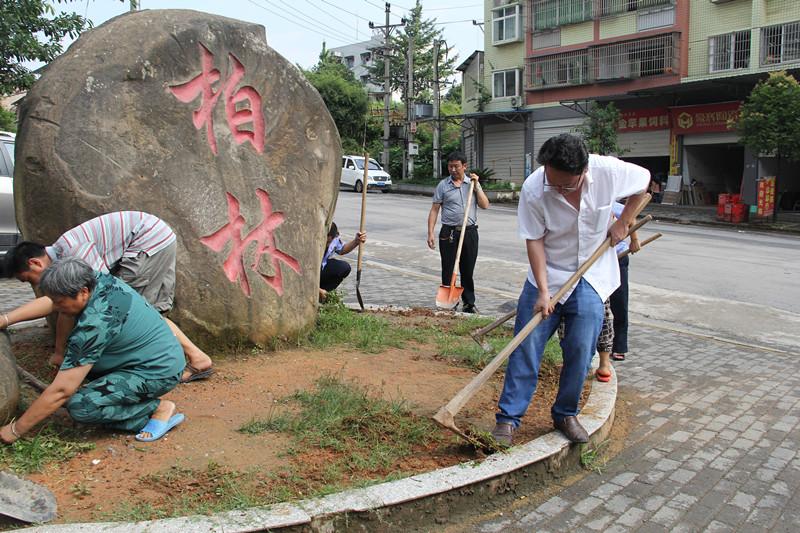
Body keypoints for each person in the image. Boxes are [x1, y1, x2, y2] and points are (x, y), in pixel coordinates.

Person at [491, 134, 649, 446]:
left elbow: (645, 184)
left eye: (566, 185)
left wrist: (624, 222)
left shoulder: (608, 172)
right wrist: (544, 291)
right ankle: (508, 419)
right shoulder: (535, 188)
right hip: (547, 273)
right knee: (526, 347)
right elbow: (534, 240)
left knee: (580, 349)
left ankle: (565, 413)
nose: (558, 189)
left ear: (584, 171)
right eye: (554, 183)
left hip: (591, 274)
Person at [0, 211, 213, 383]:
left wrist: (8, 319)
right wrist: (59, 351)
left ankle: (193, 358)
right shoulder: (64, 254)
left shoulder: (75, 253)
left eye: (29, 279)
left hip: (147, 242)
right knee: (145, 312)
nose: (35, 285)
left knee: (135, 311)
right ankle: (194, 357)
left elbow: (93, 296)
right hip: (156, 238)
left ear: (35, 263)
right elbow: (65, 306)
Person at [0, 258, 186, 444]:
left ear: (83, 292)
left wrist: (16, 430)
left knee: (82, 407)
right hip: (155, 355)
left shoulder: (96, 324)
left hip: (157, 371)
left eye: (60, 302)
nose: (57, 308)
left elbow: (62, 390)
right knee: (78, 377)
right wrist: (6, 319)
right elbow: (52, 302)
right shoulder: (92, 279)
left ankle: (155, 410)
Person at [426, 152, 490, 313]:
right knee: (448, 268)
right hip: (449, 233)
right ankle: (450, 303)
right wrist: (430, 233)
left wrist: (478, 186)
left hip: (470, 232)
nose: (453, 169)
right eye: (450, 166)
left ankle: (469, 303)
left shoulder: (472, 184)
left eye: (456, 166)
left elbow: (485, 205)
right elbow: (434, 210)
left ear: (464, 166)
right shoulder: (443, 185)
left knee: (467, 270)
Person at [610, 202, 640, 362]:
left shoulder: (617, 207)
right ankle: (598, 344)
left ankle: (619, 346)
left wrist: (634, 240)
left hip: (618, 258)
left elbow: (631, 218)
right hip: (597, 262)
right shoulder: (592, 204)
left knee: (620, 302)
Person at [319, 222, 366, 302]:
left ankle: (324, 295)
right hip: (308, 271)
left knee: (344, 267)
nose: (327, 245)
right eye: (326, 242)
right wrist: (317, 289)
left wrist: (356, 241)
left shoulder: (334, 238)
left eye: (329, 242)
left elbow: (342, 250)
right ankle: (316, 291)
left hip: (322, 268)